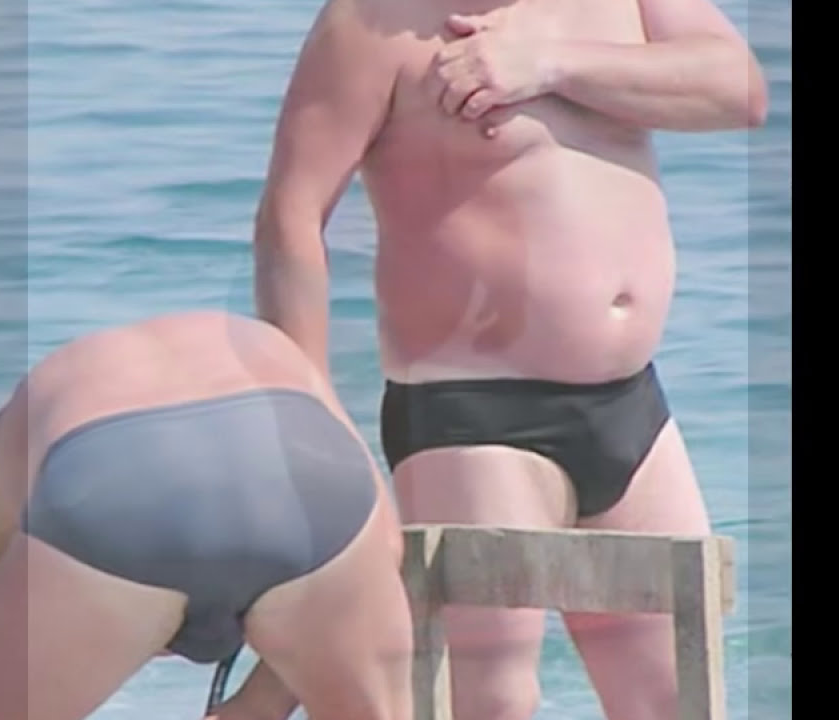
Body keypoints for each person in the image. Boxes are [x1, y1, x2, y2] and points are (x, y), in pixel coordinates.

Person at [252, 0, 767, 719]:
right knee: (490, 702)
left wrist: (552, 63)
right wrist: (311, 420)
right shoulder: (371, 22)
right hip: (472, 412)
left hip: (632, 405)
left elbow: (739, 90)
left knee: (674, 699)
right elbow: (292, 216)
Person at [0, 310, 413, 720]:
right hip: (300, 461)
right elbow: (388, 546)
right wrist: (258, 706)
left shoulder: (12, 431)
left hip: (112, 478)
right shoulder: (274, 350)